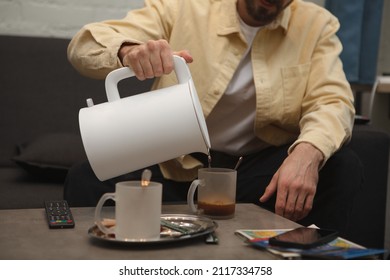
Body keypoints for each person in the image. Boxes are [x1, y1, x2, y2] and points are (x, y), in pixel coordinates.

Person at [66, 0, 363, 238]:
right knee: (84, 179)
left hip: (253, 177)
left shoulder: (315, 25)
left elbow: (332, 100)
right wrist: (128, 50)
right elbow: (85, 44)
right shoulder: (183, 6)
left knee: (340, 165)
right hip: (174, 168)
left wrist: (307, 153)